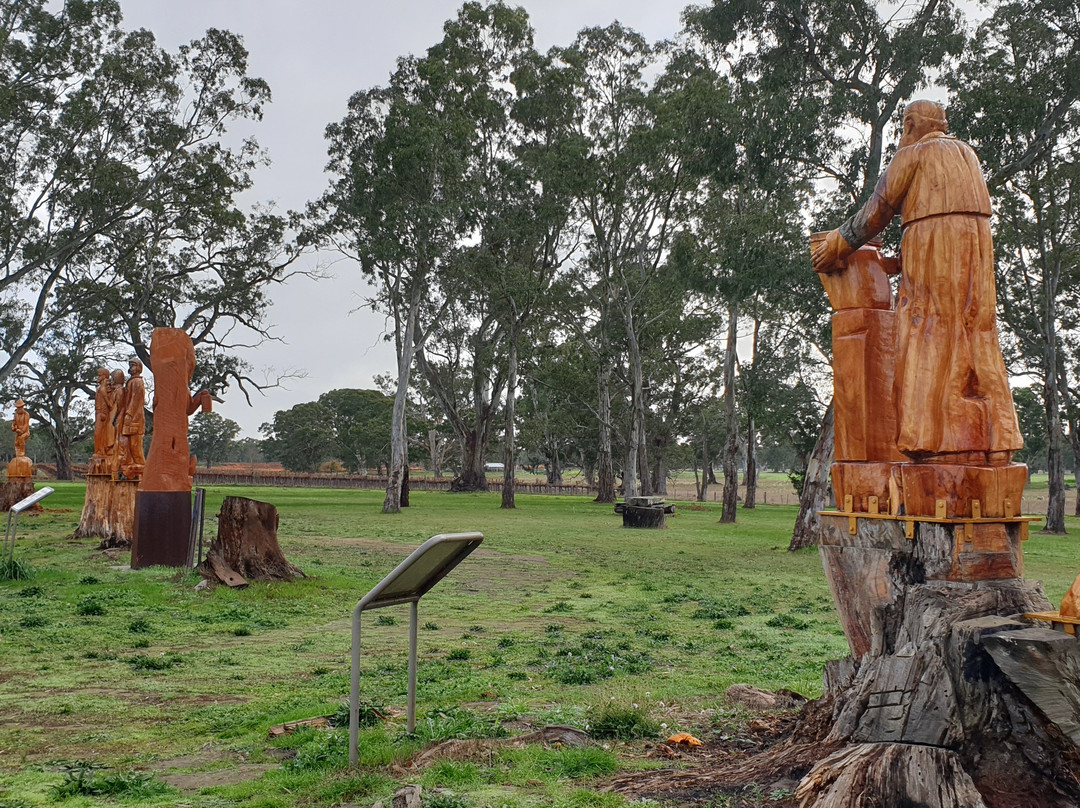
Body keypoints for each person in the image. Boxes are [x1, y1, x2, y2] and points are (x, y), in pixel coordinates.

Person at [812, 99, 1022, 465]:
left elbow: (877, 211)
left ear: (910, 125)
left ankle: (935, 439)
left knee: (928, 330)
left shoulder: (914, 153)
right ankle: (997, 439)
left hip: (933, 246)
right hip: (975, 249)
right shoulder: (968, 154)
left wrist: (836, 244)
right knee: (978, 331)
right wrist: (899, 261)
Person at [114, 360, 146, 479]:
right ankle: (133, 470)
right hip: (130, 417)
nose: (131, 368)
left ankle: (142, 472)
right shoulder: (132, 381)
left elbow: (135, 400)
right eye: (130, 366)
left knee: (135, 446)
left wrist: (129, 413)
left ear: (139, 367)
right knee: (129, 445)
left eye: (133, 366)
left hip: (135, 418)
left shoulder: (137, 382)